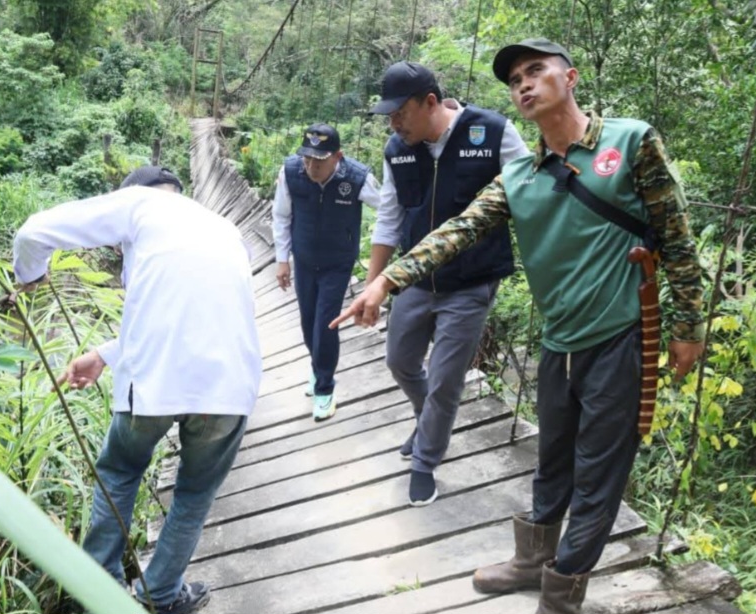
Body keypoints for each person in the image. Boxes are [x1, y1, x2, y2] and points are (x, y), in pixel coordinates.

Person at [334, 39, 705, 614]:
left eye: (536, 72)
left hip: (621, 336)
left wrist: (688, 325)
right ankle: (532, 559)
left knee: (599, 472)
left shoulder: (630, 141)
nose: (524, 85)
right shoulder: (520, 177)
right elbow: (456, 230)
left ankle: (561, 593)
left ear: (571, 77)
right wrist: (385, 281)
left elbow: (676, 236)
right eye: (514, 81)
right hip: (558, 342)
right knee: (552, 457)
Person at [13, 166, 262, 614]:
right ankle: (160, 596)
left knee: (120, 471)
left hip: (155, 383)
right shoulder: (222, 228)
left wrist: (30, 274)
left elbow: (33, 232)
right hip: (228, 388)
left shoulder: (137, 204)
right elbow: (182, 312)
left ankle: (97, 591)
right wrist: (104, 355)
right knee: (194, 493)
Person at [366, 61, 529, 506]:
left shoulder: (494, 133)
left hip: (472, 282)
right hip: (415, 279)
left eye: (400, 112)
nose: (394, 122)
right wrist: (371, 286)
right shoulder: (396, 149)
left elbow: (531, 201)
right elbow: (389, 217)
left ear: (431, 102)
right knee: (400, 361)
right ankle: (426, 420)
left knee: (445, 381)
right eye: (390, 115)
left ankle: (425, 461)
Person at [272, 123, 380, 420]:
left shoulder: (357, 178)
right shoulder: (291, 173)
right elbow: (281, 217)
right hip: (304, 261)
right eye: (307, 158)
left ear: (338, 157)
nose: (311, 167)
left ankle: (324, 389)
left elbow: (389, 209)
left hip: (337, 263)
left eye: (319, 161)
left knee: (325, 324)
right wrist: (282, 260)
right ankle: (317, 366)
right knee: (308, 324)